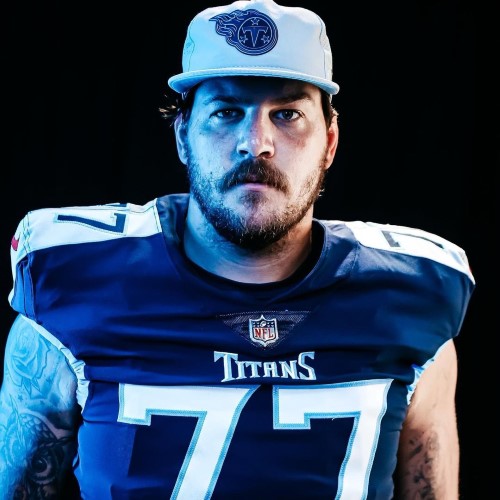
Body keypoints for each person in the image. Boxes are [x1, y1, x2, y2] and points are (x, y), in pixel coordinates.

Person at [0, 0, 475, 498]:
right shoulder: (75, 288)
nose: (256, 142)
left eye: (288, 114)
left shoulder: (411, 298)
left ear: (330, 144)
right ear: (182, 137)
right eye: (226, 112)